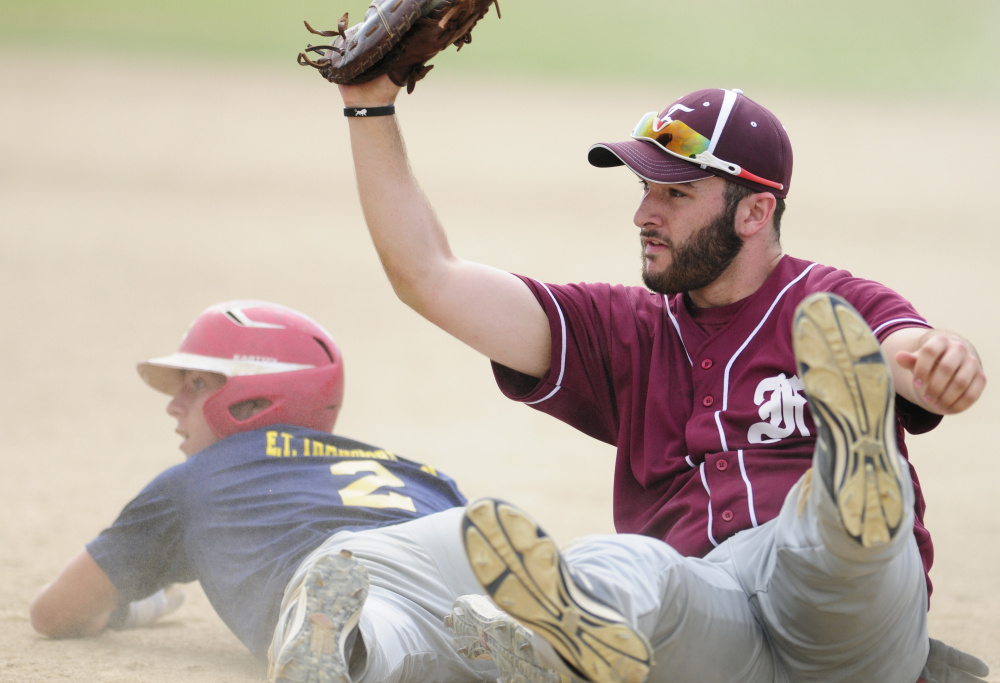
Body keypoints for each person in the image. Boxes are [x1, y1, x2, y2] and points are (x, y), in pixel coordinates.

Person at [332, 77, 989, 682]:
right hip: (718, 625)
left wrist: (942, 361)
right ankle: (556, 629)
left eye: (675, 193)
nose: (645, 213)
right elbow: (431, 277)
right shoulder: (626, 329)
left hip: (850, 633)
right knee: (636, 567)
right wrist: (368, 104)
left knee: (826, 534)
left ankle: (855, 467)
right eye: (645, 188)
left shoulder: (829, 304)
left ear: (754, 211)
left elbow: (908, 356)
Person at [28, 300, 500, 683]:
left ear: (253, 400)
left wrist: (127, 610)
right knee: (470, 629)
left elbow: (55, 613)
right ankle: (540, 636)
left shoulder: (197, 478)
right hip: (458, 543)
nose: (174, 406)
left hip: (347, 563)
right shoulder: (413, 468)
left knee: (380, 639)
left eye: (195, 385)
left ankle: (341, 637)